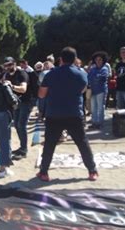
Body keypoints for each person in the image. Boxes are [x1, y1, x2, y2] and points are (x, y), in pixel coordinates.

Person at [36, 47, 98, 182]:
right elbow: (82, 90)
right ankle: (92, 171)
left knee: (50, 144)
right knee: (82, 143)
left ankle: (44, 172)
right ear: (75, 59)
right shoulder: (81, 74)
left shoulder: (51, 74)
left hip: (54, 113)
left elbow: (41, 94)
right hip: (74, 113)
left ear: (61, 59)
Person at [3, 57, 31, 160]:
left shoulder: (22, 74)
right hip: (16, 103)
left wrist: (11, 86)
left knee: (21, 125)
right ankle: (22, 147)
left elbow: (23, 89)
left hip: (25, 102)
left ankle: (24, 150)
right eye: (6, 65)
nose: (7, 67)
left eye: (10, 65)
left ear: (14, 64)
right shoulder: (6, 75)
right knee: (17, 125)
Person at [88, 51, 109, 129]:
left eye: (100, 59)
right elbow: (89, 78)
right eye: (96, 59)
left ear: (103, 60)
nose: (98, 61)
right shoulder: (93, 69)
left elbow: (102, 78)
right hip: (93, 91)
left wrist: (94, 77)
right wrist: (96, 77)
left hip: (101, 90)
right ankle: (94, 122)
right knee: (94, 108)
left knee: (100, 107)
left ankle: (100, 123)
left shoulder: (105, 68)